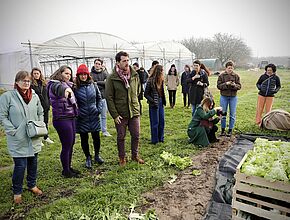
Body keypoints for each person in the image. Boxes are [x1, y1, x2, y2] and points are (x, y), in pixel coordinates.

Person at [0, 71, 44, 204]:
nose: (27, 83)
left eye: (28, 81)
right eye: (24, 80)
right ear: (17, 82)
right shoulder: (8, 96)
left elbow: (40, 111)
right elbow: (2, 115)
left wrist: (40, 124)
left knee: (33, 162)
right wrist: (12, 130)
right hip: (18, 137)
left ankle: (32, 184)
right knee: (20, 165)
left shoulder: (34, 95)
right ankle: (17, 191)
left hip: (33, 135)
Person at [105, 51, 144, 166]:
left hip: (134, 111)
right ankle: (122, 157)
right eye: (124, 61)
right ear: (118, 62)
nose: (127, 63)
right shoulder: (112, 78)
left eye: (128, 60)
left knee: (136, 135)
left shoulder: (134, 75)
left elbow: (138, 90)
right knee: (121, 137)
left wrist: (135, 104)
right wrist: (115, 115)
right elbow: (109, 97)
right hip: (121, 113)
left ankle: (135, 156)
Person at [47, 65, 80, 178]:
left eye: (70, 74)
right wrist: (66, 90)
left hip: (70, 116)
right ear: (60, 73)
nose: (68, 76)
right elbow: (60, 89)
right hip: (62, 118)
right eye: (66, 73)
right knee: (66, 145)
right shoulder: (55, 84)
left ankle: (68, 167)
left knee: (71, 143)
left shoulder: (67, 84)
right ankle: (66, 171)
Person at [74, 64, 104, 169]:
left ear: (88, 75)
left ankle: (97, 155)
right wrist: (77, 112)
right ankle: (88, 157)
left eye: (85, 74)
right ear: (78, 76)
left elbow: (99, 98)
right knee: (84, 138)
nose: (83, 76)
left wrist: (98, 109)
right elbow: (73, 102)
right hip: (82, 117)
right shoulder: (75, 87)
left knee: (96, 136)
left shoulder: (93, 85)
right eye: (81, 74)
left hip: (94, 114)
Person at [217, 61, 241, 136]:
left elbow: (239, 86)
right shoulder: (221, 76)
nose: (230, 69)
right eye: (228, 68)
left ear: (233, 68)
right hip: (224, 96)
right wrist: (226, 84)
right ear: (226, 68)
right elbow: (218, 86)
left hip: (233, 97)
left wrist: (234, 85)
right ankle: (223, 130)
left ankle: (230, 130)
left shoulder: (236, 76)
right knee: (223, 113)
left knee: (232, 114)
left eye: (231, 68)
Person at [30, 67, 54, 144]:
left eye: (37, 73)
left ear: (40, 74)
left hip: (45, 106)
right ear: (32, 75)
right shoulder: (31, 85)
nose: (36, 75)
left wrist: (49, 103)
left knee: (45, 122)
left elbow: (47, 94)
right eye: (35, 73)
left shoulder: (44, 84)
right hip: (36, 106)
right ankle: (38, 139)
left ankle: (46, 137)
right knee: (38, 122)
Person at [144, 64, 166, 144]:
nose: (163, 72)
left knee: (162, 121)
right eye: (162, 71)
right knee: (155, 122)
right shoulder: (150, 80)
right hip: (153, 104)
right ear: (159, 71)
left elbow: (162, 92)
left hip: (160, 103)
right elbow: (146, 94)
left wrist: (163, 101)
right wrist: (152, 101)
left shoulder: (162, 80)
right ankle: (155, 140)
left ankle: (161, 138)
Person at [90, 58, 111, 137]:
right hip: (94, 97)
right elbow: (91, 83)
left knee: (103, 115)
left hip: (103, 97)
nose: (97, 65)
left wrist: (97, 82)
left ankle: (104, 131)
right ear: (94, 64)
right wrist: (102, 83)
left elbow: (108, 83)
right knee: (95, 115)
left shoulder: (104, 73)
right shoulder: (91, 74)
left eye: (99, 64)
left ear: (101, 65)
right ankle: (96, 130)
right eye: (96, 63)